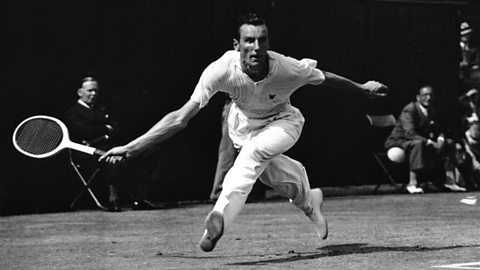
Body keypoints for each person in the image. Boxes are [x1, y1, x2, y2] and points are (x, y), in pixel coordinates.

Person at [99, 13, 387, 252]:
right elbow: (179, 119)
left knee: (253, 154)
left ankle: (220, 216)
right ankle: (310, 201)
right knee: (277, 176)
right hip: (243, 127)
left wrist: (361, 88)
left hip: (283, 123)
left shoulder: (286, 67)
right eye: (249, 40)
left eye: (262, 40)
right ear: (237, 45)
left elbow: (325, 78)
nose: (256, 47)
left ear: (268, 43)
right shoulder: (221, 69)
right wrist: (131, 148)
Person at [384, 85, 466, 194]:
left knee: (449, 143)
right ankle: (412, 183)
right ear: (418, 97)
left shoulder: (431, 109)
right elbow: (410, 133)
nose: (428, 98)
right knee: (418, 144)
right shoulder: (409, 109)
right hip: (399, 142)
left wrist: (440, 141)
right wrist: (431, 142)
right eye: (425, 95)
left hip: (418, 140)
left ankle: (449, 181)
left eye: (431, 95)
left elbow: (438, 129)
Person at [64, 76, 123, 212]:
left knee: (149, 152)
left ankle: (142, 197)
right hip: (86, 154)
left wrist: (101, 130)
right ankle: (113, 199)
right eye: (90, 90)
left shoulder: (102, 110)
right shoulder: (72, 113)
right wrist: (106, 128)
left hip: (110, 147)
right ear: (80, 92)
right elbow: (84, 132)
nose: (94, 94)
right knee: (112, 158)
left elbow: (119, 129)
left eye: (96, 91)